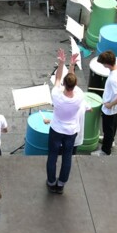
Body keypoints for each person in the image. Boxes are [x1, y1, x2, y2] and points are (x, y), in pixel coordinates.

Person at [42, 49, 83, 194]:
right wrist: (72, 66)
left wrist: (62, 63)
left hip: (57, 128)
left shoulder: (57, 95)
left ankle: (51, 181)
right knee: (67, 157)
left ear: (64, 85)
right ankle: (61, 184)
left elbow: (58, 78)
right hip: (71, 130)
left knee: (52, 155)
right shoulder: (79, 95)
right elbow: (70, 79)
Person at [97, 51, 117, 156]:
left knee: (108, 129)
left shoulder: (113, 79)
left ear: (107, 64)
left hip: (110, 106)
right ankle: (111, 141)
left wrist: (110, 104)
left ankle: (106, 151)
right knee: (113, 124)